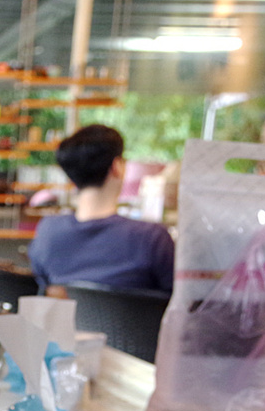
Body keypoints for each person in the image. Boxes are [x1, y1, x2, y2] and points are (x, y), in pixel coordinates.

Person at [26, 124, 174, 294]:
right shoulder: (152, 239)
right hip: (130, 321)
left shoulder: (48, 231)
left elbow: (41, 289)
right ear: (117, 167)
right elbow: (178, 307)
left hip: (63, 321)